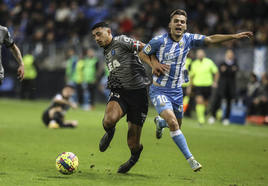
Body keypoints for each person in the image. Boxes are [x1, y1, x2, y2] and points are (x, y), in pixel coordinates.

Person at [140, 9, 252, 172]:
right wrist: (154, 64)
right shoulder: (159, 41)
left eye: (182, 22)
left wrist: (233, 36)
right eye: (176, 21)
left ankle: (160, 123)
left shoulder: (189, 39)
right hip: (159, 91)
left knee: (176, 125)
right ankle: (191, 159)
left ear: (186, 26)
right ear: (170, 24)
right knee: (173, 123)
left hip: (177, 91)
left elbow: (211, 39)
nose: (179, 24)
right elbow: (143, 53)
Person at [91, 22, 164, 174]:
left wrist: (154, 63)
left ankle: (133, 158)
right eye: (94, 36)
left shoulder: (122, 40)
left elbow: (145, 47)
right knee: (109, 120)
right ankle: (110, 132)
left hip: (138, 95)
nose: (96, 38)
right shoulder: (106, 50)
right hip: (120, 92)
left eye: (99, 34)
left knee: (133, 143)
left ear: (109, 31)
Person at [208, 49, 239, 125]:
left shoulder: (235, 64)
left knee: (229, 102)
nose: (230, 55)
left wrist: (227, 70)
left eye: (231, 54)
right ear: (226, 55)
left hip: (231, 86)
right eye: (228, 54)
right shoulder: (222, 63)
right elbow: (222, 71)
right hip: (222, 85)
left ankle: (226, 118)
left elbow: (234, 71)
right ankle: (213, 116)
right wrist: (230, 70)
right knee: (217, 101)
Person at [189, 49, 219, 125]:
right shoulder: (194, 63)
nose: (200, 55)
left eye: (201, 53)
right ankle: (201, 119)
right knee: (199, 101)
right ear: (196, 55)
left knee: (206, 103)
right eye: (198, 54)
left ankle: (203, 115)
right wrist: (190, 86)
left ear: (204, 54)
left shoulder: (209, 62)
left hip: (208, 85)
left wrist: (215, 82)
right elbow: (191, 76)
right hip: (198, 85)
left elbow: (216, 72)